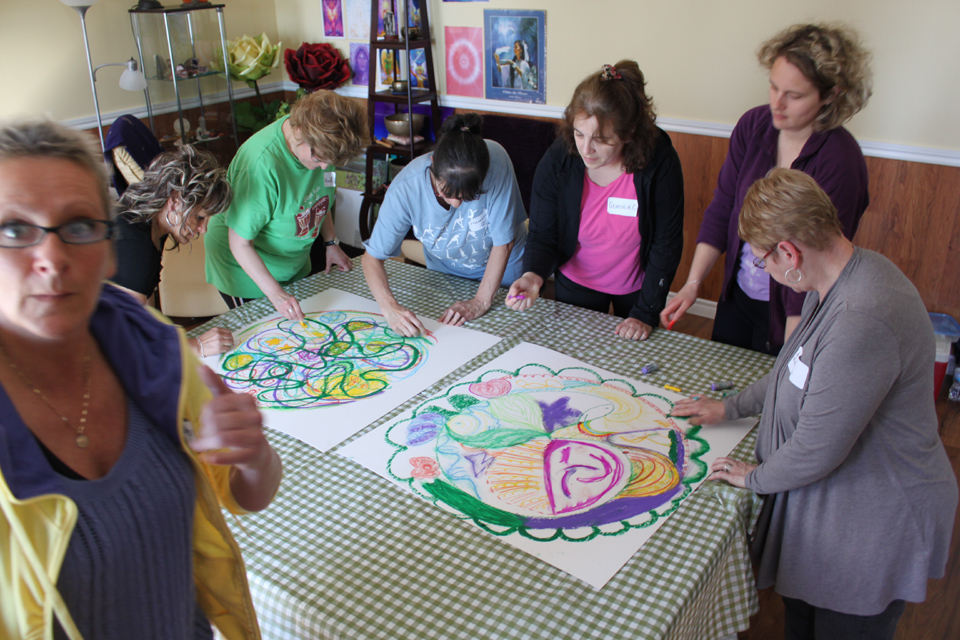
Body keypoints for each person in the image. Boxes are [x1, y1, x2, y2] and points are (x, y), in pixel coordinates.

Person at [0, 119, 282, 639]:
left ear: (106, 245)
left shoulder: (154, 349)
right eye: (14, 230)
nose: (52, 259)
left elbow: (249, 495)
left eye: (80, 225)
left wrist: (254, 452)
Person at [672, 169, 957, 640]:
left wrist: (755, 477)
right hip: (837, 506)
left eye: (763, 261)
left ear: (790, 252)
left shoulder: (861, 317)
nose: (767, 272)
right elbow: (793, 371)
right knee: (802, 621)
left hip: (876, 524)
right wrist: (732, 407)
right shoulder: (839, 277)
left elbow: (817, 449)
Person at [661, 23, 872, 354]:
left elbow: (817, 262)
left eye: (795, 95)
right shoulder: (753, 126)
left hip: (794, 311)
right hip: (740, 293)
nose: (778, 103)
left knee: (775, 396)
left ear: (832, 94)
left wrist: (792, 351)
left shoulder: (841, 161)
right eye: (773, 88)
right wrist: (693, 284)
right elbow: (724, 208)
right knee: (724, 382)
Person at [506, 60, 684, 341]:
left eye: (601, 139)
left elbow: (666, 242)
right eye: (579, 133)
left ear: (629, 134)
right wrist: (533, 275)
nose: (585, 149)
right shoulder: (559, 159)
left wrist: (645, 313)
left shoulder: (658, 159)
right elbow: (543, 234)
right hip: (577, 281)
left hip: (638, 286)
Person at [204, 90, 369, 321]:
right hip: (245, 269)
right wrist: (276, 295)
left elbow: (319, 199)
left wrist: (331, 243)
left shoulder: (324, 147)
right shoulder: (260, 164)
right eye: (319, 159)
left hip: (291, 261)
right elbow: (240, 243)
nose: (324, 168)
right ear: (299, 131)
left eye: (330, 162)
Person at [362, 113, 527, 336]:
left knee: (510, 338)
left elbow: (504, 243)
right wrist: (390, 307)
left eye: (470, 196)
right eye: (447, 193)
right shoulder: (406, 187)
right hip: (445, 272)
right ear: (432, 163)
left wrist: (480, 302)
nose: (457, 203)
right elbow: (372, 257)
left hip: (504, 271)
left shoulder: (496, 162)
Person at [111, 145, 235, 357]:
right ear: (175, 201)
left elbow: (146, 316)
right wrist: (198, 346)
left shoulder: (147, 223)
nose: (203, 229)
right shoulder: (136, 246)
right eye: (200, 217)